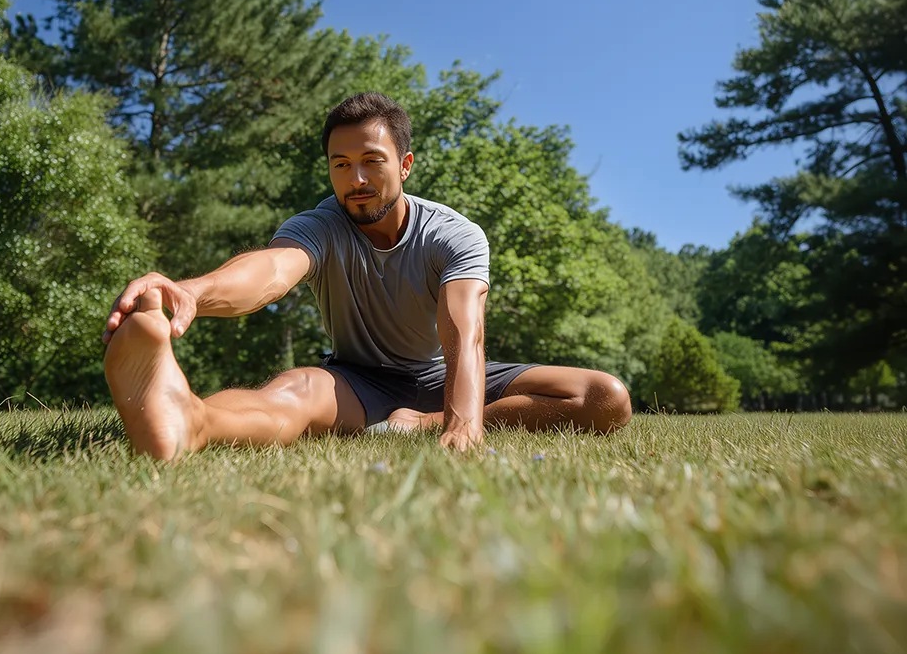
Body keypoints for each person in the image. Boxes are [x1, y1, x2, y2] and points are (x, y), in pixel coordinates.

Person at [102, 92, 631, 457]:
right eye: (340, 164)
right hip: (357, 380)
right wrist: (192, 290)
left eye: (371, 161)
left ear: (404, 165)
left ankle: (421, 421)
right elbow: (270, 272)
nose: (355, 179)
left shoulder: (454, 235)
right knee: (291, 396)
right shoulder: (319, 226)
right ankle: (188, 420)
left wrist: (462, 421)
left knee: (606, 396)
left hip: (443, 372)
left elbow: (463, 334)